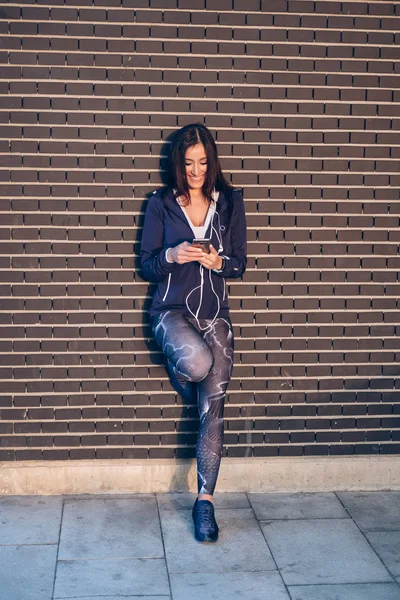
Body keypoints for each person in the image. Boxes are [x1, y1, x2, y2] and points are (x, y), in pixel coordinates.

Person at [140, 123, 247, 543]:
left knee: (212, 410)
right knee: (198, 364)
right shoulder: (162, 203)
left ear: (212, 161)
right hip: (171, 312)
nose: (196, 171)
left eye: (203, 162)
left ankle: (205, 503)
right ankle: (181, 371)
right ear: (178, 165)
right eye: (188, 164)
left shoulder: (230, 203)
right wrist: (173, 254)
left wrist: (218, 263)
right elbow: (146, 264)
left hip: (215, 316)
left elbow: (239, 263)